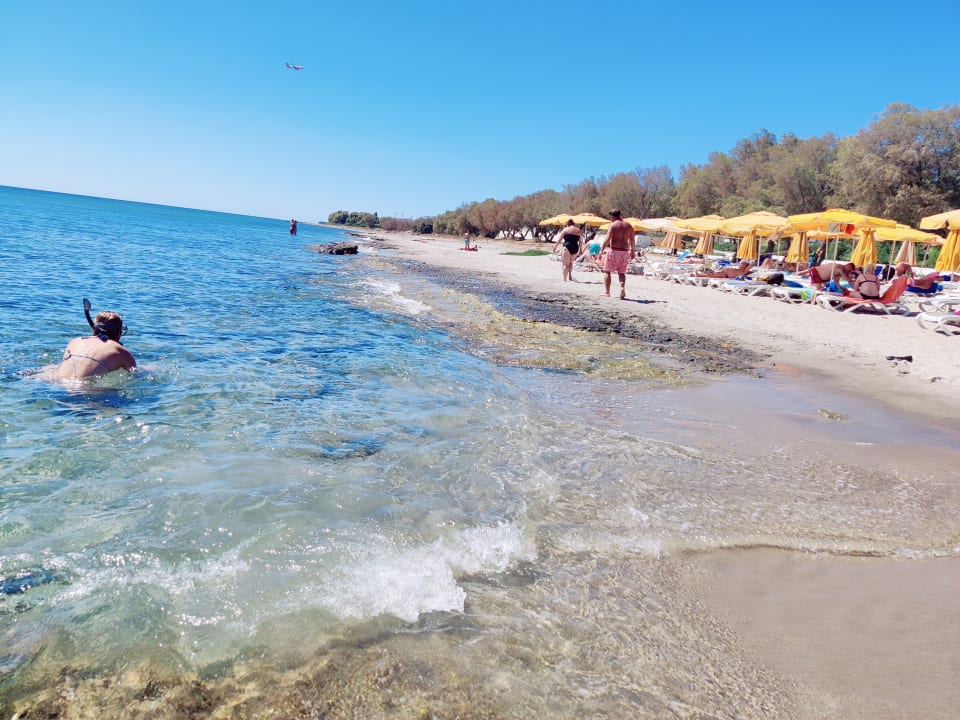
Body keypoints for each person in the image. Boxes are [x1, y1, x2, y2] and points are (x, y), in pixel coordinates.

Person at [59, 311, 136, 380]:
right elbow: (135, 374)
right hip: (85, 390)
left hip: (58, 383)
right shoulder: (119, 350)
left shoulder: (74, 342)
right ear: (119, 332)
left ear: (94, 328)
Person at [599, 209, 636, 299]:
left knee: (607, 271)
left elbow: (607, 239)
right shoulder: (629, 226)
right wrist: (633, 251)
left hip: (614, 250)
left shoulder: (612, 225)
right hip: (624, 251)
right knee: (621, 272)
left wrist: (601, 250)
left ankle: (607, 292)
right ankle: (622, 287)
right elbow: (632, 240)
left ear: (612, 216)